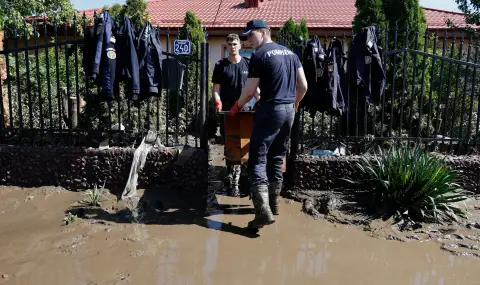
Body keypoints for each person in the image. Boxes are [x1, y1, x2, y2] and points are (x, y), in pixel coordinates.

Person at [230, 19, 308, 229]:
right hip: (289, 110)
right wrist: (296, 103)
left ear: (263, 33)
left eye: (250, 35)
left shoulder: (259, 55)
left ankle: (262, 212)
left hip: (270, 110)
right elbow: (304, 86)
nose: (247, 40)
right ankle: (274, 206)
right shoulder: (291, 54)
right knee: (276, 156)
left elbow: (249, 91)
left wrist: (236, 107)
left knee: (257, 158)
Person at [212, 33, 258, 196]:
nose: (232, 47)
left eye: (235, 44)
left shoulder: (248, 64)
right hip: (227, 111)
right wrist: (217, 102)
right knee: (229, 141)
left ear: (240, 46)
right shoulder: (221, 66)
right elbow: (216, 90)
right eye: (229, 44)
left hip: (245, 109)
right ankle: (231, 170)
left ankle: (244, 172)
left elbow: (255, 88)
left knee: (245, 140)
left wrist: (260, 101)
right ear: (227, 46)